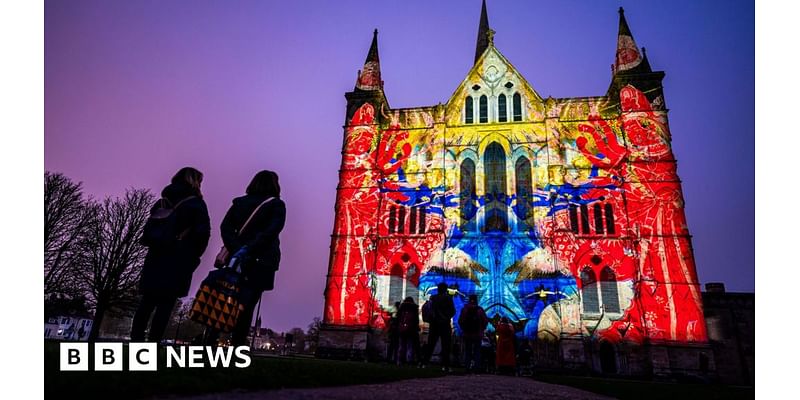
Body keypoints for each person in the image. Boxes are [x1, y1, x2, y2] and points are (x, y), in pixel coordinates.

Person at [132, 167, 211, 343]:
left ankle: (136, 341)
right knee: (166, 305)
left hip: (156, 256)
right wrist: (194, 257)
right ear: (195, 182)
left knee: (146, 303)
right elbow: (203, 234)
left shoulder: (162, 203)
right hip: (179, 258)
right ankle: (153, 343)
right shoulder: (196, 204)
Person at [219, 170, 286, 346]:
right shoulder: (276, 205)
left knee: (227, 300)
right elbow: (271, 232)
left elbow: (225, 227)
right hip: (261, 260)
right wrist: (250, 249)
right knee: (247, 306)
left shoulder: (239, 203)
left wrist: (237, 248)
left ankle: (213, 341)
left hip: (237, 259)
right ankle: (238, 346)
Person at [421, 282, 456, 371]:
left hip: (434, 323)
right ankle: (445, 365)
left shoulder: (433, 298)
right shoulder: (448, 299)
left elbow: (428, 309)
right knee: (446, 345)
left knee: (431, 344)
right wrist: (446, 317)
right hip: (444, 324)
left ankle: (424, 363)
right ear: (445, 289)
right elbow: (453, 311)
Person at [458, 294, 489, 373]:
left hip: (467, 334)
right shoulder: (480, 310)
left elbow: (460, 321)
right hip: (477, 334)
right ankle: (476, 367)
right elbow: (485, 321)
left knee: (467, 350)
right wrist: (482, 329)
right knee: (477, 351)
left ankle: (467, 367)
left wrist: (463, 329)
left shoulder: (465, 309)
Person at [396, 297, 420, 365]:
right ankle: (409, 360)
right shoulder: (414, 308)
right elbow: (416, 320)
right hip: (411, 329)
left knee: (401, 345)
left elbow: (398, 318)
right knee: (410, 345)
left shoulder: (402, 308)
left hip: (402, 329)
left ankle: (400, 360)